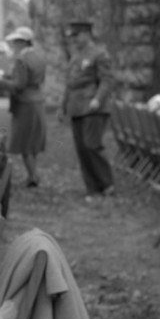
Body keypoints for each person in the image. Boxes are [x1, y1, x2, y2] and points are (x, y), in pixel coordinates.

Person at [58, 19, 116, 200]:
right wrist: (63, 107)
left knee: (92, 145)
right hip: (76, 108)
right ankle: (92, 187)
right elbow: (70, 84)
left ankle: (107, 184)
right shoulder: (76, 56)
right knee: (82, 148)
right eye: (72, 36)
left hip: (92, 107)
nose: (74, 40)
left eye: (77, 35)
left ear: (87, 34)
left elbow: (107, 80)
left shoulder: (99, 54)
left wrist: (98, 99)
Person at [1, 26, 47, 187]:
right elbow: (36, 79)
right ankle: (33, 174)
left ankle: (33, 176)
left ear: (23, 42)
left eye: (16, 42)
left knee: (25, 141)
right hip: (38, 100)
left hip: (25, 103)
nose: (14, 45)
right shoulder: (39, 56)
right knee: (33, 140)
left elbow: (19, 85)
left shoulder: (21, 59)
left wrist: (1, 82)